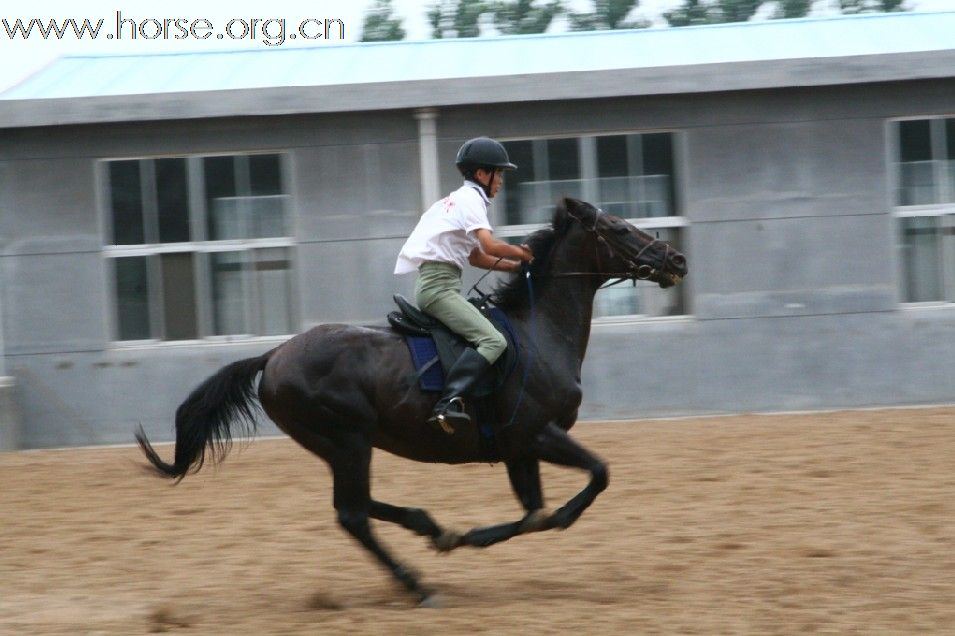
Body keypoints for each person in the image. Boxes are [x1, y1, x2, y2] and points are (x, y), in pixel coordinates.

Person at [395, 136, 533, 433]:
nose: (501, 181)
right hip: (439, 289)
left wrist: (514, 267)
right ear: (482, 174)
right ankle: (447, 403)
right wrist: (523, 252)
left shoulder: (457, 200)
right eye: (499, 173)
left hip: (438, 284)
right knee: (494, 340)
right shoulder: (472, 200)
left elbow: (476, 257)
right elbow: (490, 245)